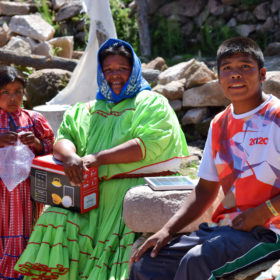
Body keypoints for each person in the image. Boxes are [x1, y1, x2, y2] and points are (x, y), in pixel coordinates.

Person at [14, 38, 189, 279]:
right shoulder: (86, 109)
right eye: (108, 70)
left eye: (122, 69)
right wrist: (71, 157)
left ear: (134, 70)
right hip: (88, 194)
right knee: (54, 217)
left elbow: (149, 145)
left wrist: (96, 158)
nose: (114, 76)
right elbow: (64, 138)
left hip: (131, 193)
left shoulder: (151, 103)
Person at [130, 36, 280, 280]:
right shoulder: (219, 123)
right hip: (227, 229)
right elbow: (205, 189)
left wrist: (263, 212)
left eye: (245, 66)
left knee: (197, 263)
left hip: (270, 231)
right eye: (227, 68)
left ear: (262, 74)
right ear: (219, 78)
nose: (235, 74)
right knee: (146, 264)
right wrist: (167, 230)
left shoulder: (277, 117)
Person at [0, 65, 54, 279]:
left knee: (27, 225)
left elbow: (51, 144)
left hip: (27, 189)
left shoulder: (34, 119)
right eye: (5, 92)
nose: (13, 97)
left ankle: (23, 267)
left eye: (17, 92)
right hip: (2, 190)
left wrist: (38, 144)